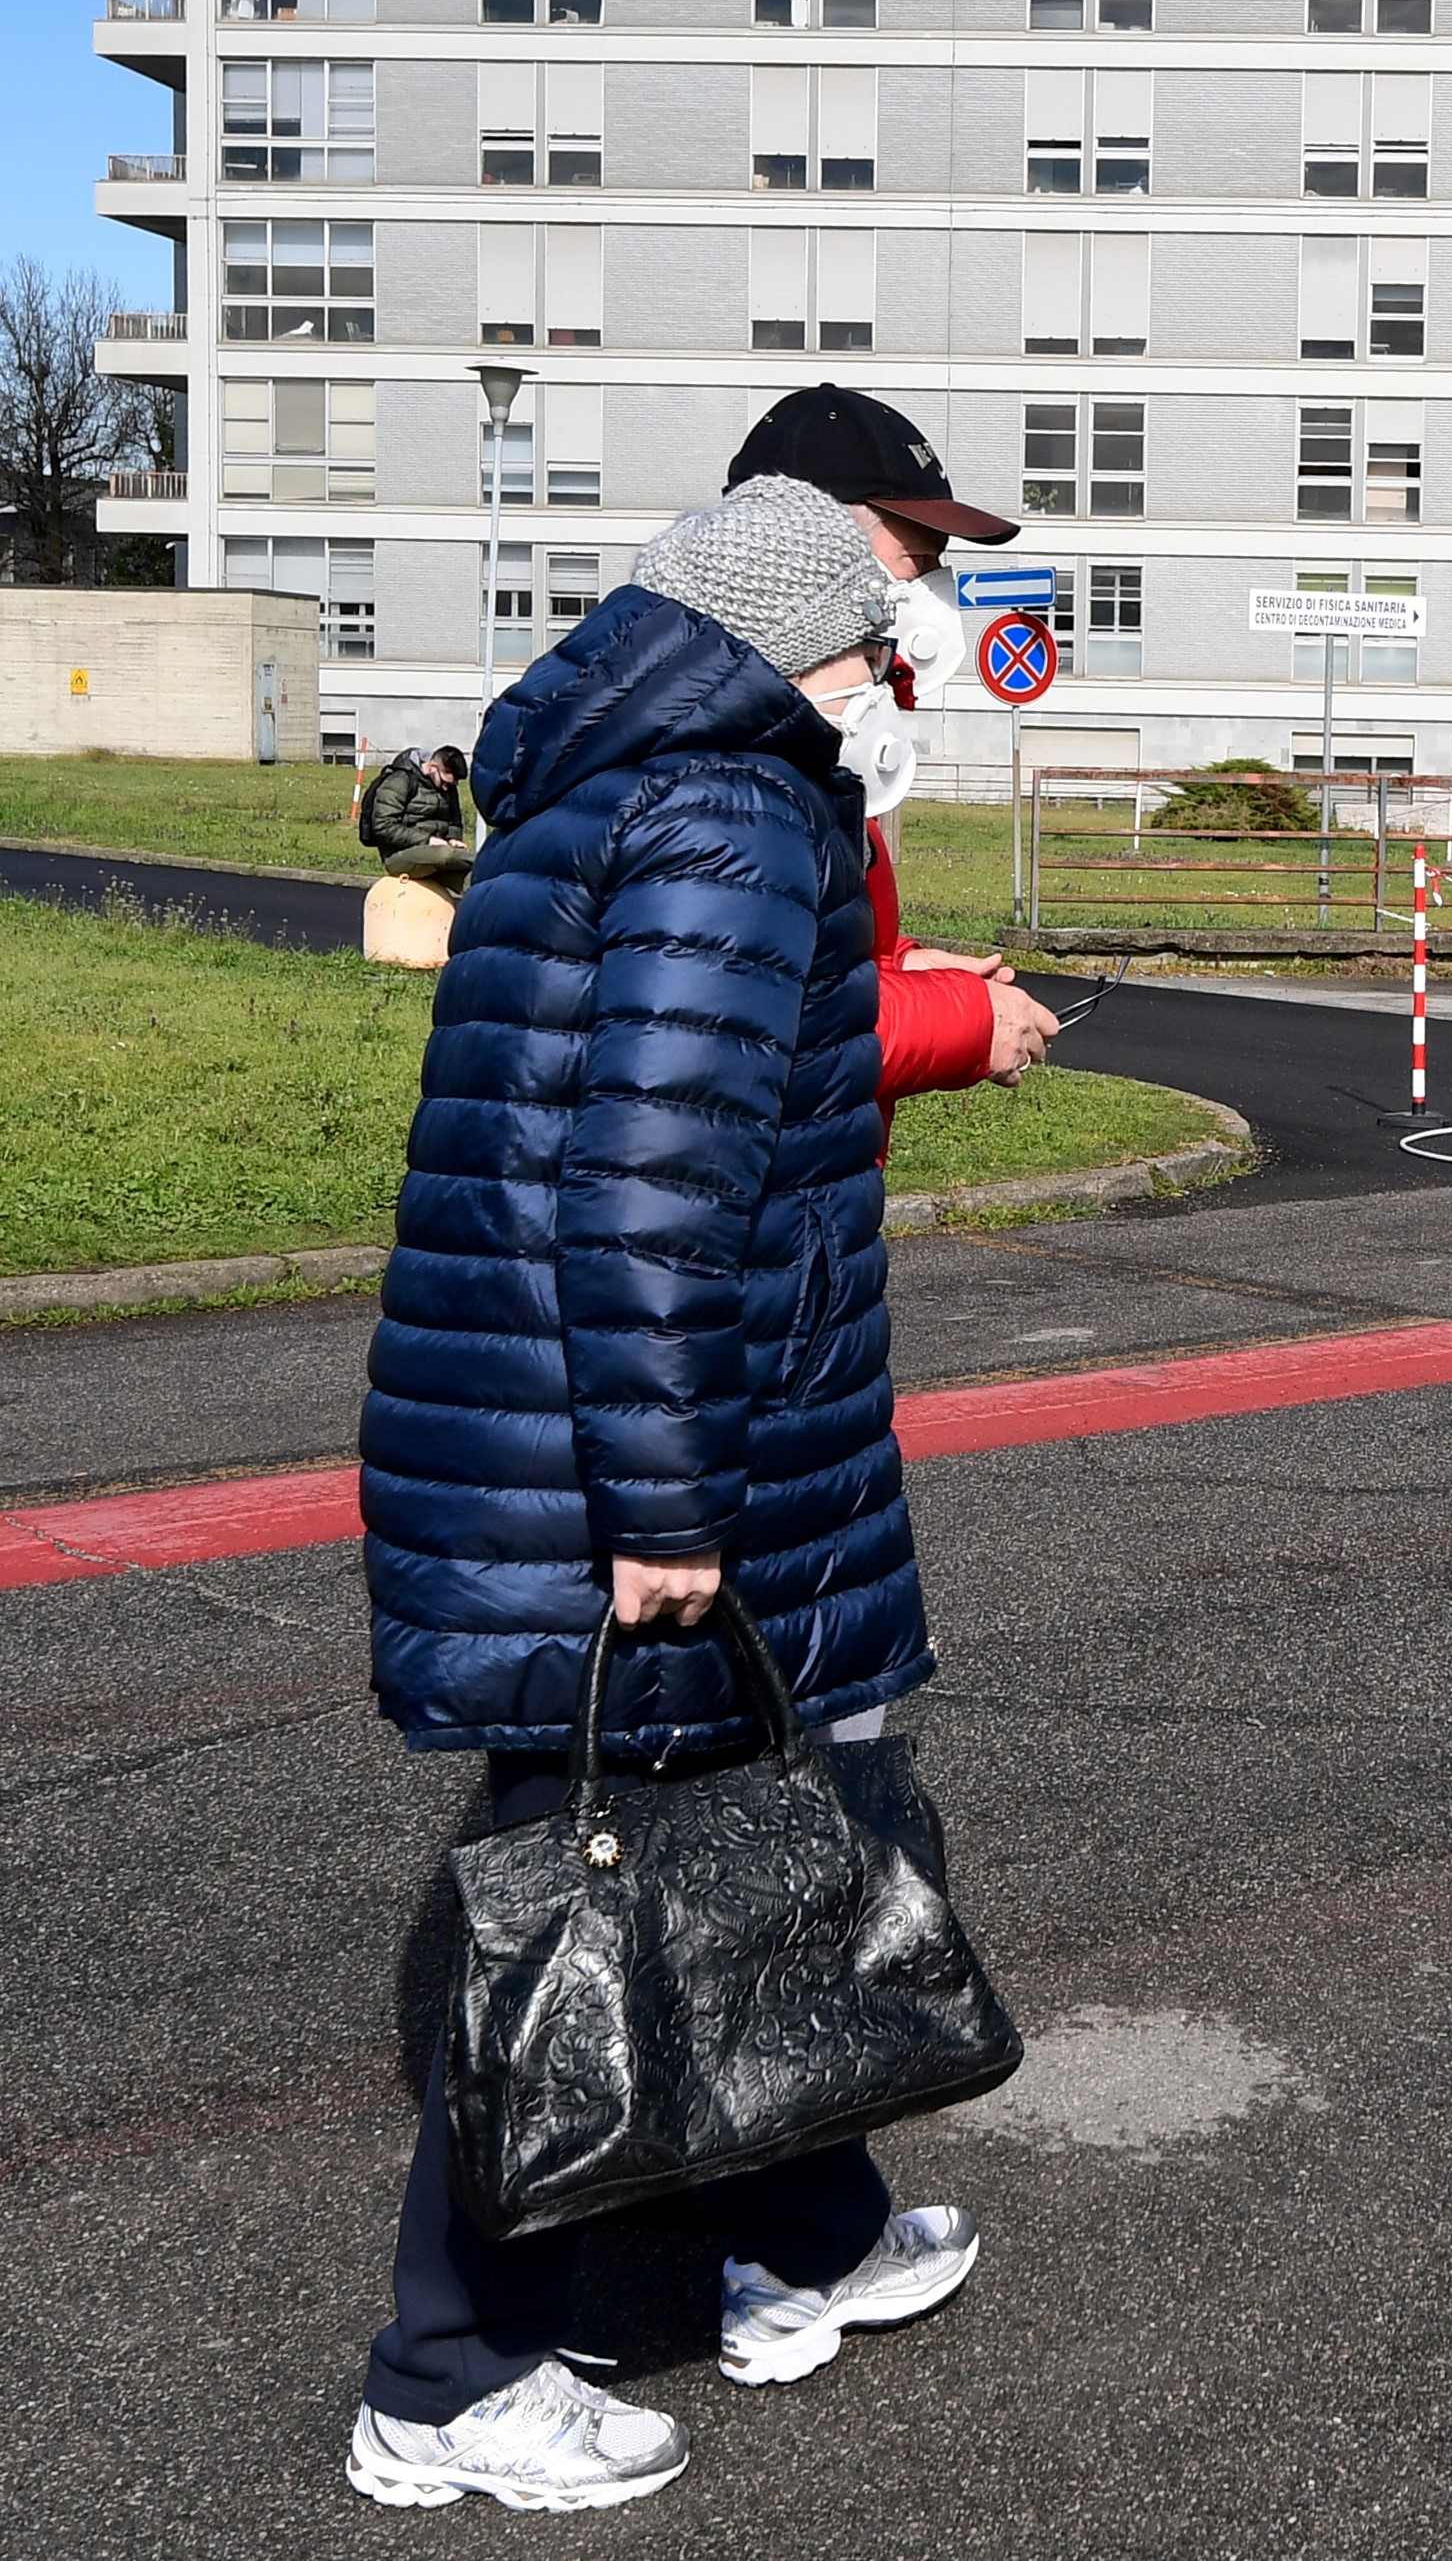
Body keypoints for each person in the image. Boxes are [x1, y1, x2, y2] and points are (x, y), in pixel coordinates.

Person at [349, 476, 980, 2513]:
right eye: (874, 647)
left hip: (568, 1440)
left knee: (722, 1848)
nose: (891, 682)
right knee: (571, 1902)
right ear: (790, 647)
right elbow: (648, 1203)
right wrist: (671, 1501)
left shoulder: (608, 775)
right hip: (623, 1464)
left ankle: (793, 2228)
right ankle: (444, 2368)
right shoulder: (727, 810)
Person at [725, 384, 1060, 1116]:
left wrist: (894, 963)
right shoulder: (718, 768)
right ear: (804, 550)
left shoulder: (803, 755)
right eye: (915, 562)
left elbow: (782, 957)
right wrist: (966, 1021)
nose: (930, 600)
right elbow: (736, 1029)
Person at [356, 742, 473, 884]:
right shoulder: (399, 780)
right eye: (444, 782)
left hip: (435, 853)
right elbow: (383, 826)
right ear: (431, 767)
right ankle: (479, 860)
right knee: (446, 855)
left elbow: (454, 821)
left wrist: (454, 838)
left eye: (452, 785)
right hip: (399, 855)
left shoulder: (448, 788)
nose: (447, 788)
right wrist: (428, 840)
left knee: (476, 880)